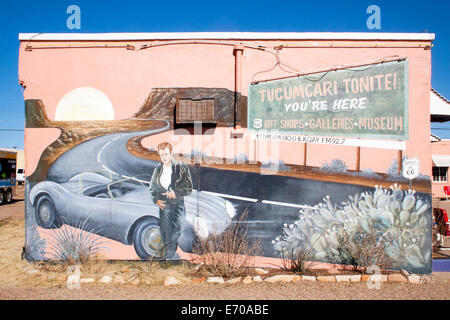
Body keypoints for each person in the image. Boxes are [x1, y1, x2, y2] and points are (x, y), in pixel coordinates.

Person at [150, 142, 193, 259]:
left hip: (178, 203)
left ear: (171, 153)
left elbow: (189, 187)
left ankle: (168, 254)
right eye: (161, 155)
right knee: (166, 232)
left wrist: (176, 193)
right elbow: (152, 187)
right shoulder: (158, 169)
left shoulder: (181, 167)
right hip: (164, 205)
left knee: (179, 227)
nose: (164, 157)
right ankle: (168, 257)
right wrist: (156, 200)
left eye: (166, 154)